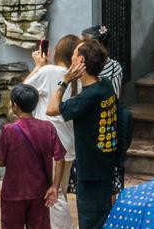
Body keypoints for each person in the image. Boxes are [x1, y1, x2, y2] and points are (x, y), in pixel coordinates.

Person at [48, 38, 119, 229]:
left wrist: (65, 81)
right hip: (105, 165)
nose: (70, 57)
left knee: (90, 221)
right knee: (101, 219)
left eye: (73, 54)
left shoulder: (88, 97)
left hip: (91, 171)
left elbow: (52, 109)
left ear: (79, 61)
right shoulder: (105, 85)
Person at [25, 34, 79, 229]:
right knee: (59, 192)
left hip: (48, 145)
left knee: (53, 196)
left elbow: (21, 92)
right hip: (68, 144)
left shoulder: (49, 71)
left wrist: (38, 66)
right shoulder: (79, 75)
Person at [0, 84, 66, 229]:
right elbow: (60, 158)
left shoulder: (9, 130)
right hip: (40, 192)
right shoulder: (48, 127)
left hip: (14, 193)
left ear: (15, 106)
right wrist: (55, 186)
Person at [81, 26, 122, 97]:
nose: (80, 46)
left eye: (84, 44)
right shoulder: (82, 65)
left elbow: (114, 98)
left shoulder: (114, 68)